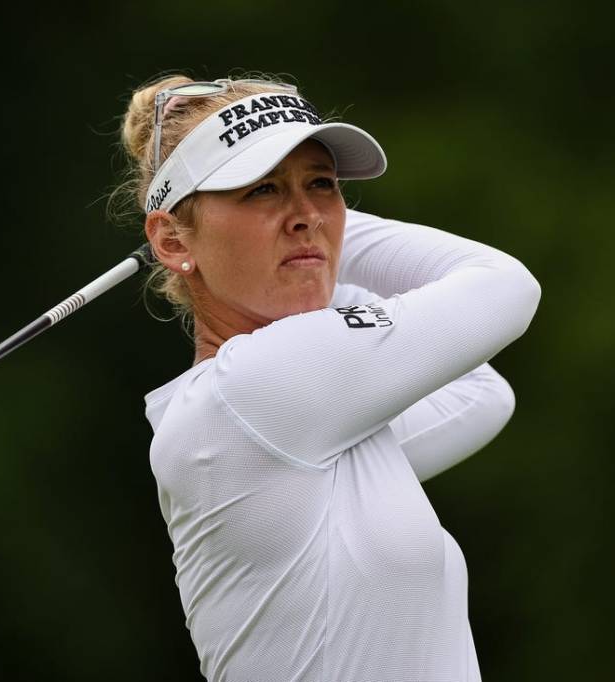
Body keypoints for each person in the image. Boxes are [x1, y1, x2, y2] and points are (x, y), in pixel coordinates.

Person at [117, 74, 541, 682]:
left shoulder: (301, 410)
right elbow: (504, 287)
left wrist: (303, 238)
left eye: (323, 184)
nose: (307, 214)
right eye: (261, 189)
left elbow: (481, 391)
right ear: (167, 236)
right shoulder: (253, 387)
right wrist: (316, 236)